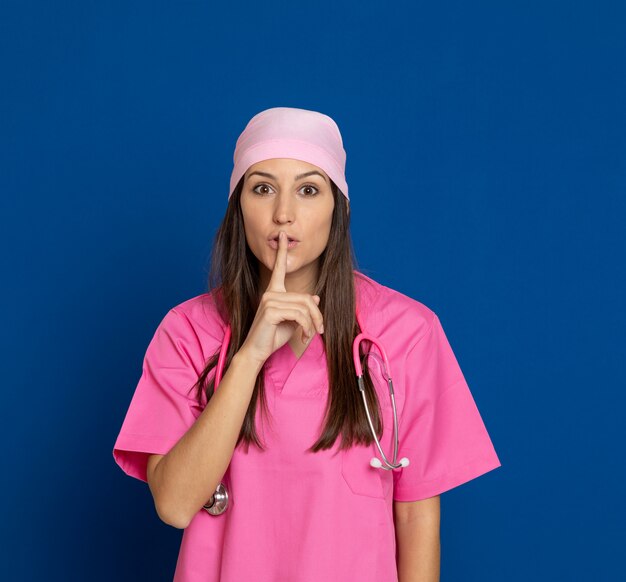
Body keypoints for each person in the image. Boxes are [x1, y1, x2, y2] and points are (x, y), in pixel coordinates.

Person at [112, 106, 501, 581]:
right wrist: (250, 355)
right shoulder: (188, 331)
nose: (284, 214)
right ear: (238, 207)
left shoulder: (407, 332)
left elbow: (417, 517)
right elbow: (173, 505)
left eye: (309, 189)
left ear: (339, 208)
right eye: (262, 188)